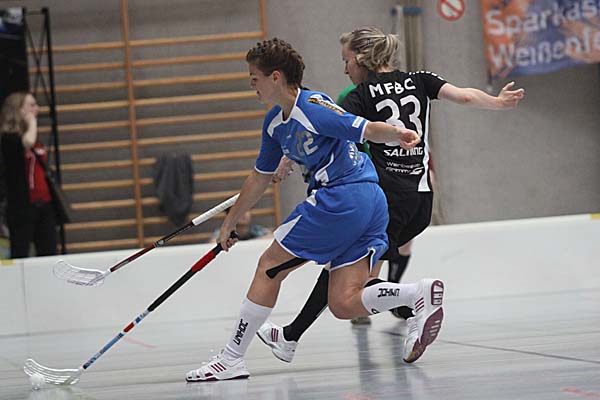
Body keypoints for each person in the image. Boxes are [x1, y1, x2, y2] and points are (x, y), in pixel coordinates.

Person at [257, 27, 525, 363]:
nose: (345, 70)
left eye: (347, 61)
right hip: (422, 199)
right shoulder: (420, 79)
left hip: (386, 200)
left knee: (350, 282)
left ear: (362, 59)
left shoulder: (357, 96)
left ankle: (414, 305)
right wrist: (498, 102)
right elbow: (466, 97)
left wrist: (287, 158)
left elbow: (324, 130)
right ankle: (292, 335)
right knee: (346, 273)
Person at [185, 37, 444, 382]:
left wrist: (398, 134)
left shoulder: (314, 107)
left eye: (254, 78)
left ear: (276, 77)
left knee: (268, 267)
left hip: (341, 198)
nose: (251, 85)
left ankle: (231, 358)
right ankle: (415, 294)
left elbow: (365, 129)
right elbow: (259, 178)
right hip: (368, 202)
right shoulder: (275, 124)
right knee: (343, 302)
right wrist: (229, 223)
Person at [0, 92, 57, 258]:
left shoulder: (34, 137)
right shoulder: (9, 138)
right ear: (18, 109)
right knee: (21, 251)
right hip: (22, 206)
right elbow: (26, 143)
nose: (36, 109)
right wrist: (32, 121)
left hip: (44, 202)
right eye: (31, 105)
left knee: (49, 252)